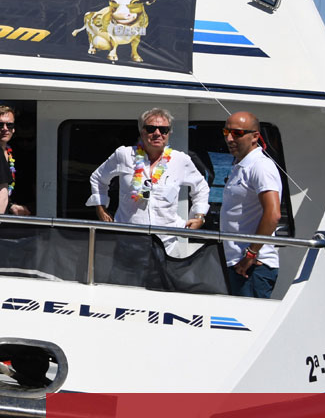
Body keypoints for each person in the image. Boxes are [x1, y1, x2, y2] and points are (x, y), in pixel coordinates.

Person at [87, 108, 209, 252]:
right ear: (141, 131)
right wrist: (100, 208)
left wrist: (199, 216)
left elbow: (201, 187)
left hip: (166, 244)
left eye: (163, 130)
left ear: (169, 133)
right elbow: (98, 178)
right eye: (151, 128)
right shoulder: (124, 155)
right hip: (128, 241)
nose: (157, 133)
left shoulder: (180, 160)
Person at [220, 111, 282, 297]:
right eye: (226, 132)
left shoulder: (260, 167)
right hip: (239, 262)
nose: (230, 138)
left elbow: (273, 214)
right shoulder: (241, 166)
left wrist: (251, 254)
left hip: (253, 266)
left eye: (237, 133)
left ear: (255, 136)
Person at [0, 104, 31, 217]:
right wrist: (11, 205)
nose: (5, 129)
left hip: (10, 217)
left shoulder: (15, 153)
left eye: (9, 125)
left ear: (14, 129)